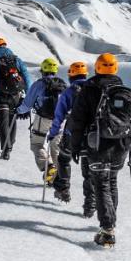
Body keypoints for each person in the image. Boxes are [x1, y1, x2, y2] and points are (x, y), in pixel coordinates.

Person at [65, 53, 131, 247]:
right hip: (122, 145)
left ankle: (107, 229)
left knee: (100, 183)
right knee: (111, 181)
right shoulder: (126, 92)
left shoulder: (89, 90)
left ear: (98, 68)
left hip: (97, 144)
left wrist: (74, 146)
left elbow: (77, 121)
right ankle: (110, 223)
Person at [46, 61, 94, 215]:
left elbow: (59, 116)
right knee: (88, 169)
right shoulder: (95, 89)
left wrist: (53, 133)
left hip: (71, 134)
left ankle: (63, 189)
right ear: (86, 74)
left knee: (64, 159)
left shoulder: (68, 92)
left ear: (71, 75)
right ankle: (90, 203)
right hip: (91, 136)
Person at [15, 57, 67, 185]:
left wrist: (17, 110)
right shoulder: (63, 84)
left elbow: (27, 105)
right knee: (56, 147)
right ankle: (56, 178)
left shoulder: (39, 84)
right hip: (60, 121)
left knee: (37, 144)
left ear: (43, 70)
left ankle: (48, 166)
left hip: (42, 118)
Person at [0, 37, 32, 160]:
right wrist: (27, 94)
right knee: (12, 120)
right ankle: (10, 145)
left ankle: (5, 149)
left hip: (0, 96)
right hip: (15, 96)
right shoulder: (16, 59)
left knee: (3, 122)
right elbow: (27, 77)